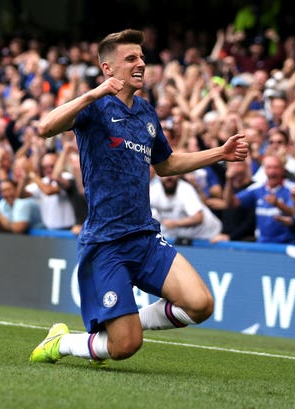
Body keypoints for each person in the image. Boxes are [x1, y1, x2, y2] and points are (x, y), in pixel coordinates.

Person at [29, 29, 248, 366]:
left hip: (145, 237)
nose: (141, 63)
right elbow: (44, 127)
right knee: (125, 347)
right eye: (131, 58)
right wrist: (92, 95)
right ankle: (63, 341)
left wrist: (219, 152)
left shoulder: (145, 112)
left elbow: (168, 163)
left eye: (142, 57)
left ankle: (129, 323)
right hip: (106, 242)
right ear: (107, 69)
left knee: (201, 304)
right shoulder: (96, 107)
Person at [150, 174, 223, 242]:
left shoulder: (185, 190)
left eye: (172, 173)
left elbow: (198, 218)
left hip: (209, 234)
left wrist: (175, 223)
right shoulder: (154, 191)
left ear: (179, 174)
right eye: (165, 174)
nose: (169, 177)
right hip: (179, 235)